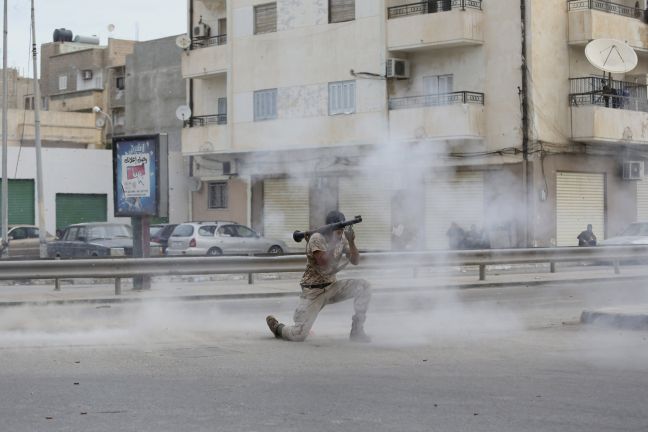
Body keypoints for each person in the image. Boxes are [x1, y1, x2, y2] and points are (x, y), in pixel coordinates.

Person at [266, 210, 372, 343]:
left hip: (332, 287)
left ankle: (357, 330)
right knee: (298, 335)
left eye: (342, 229)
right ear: (330, 228)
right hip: (313, 291)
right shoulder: (316, 239)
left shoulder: (342, 238)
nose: (340, 232)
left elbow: (355, 261)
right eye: (337, 229)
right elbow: (324, 263)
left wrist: (351, 242)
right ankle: (277, 328)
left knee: (364, 286)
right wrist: (334, 242)